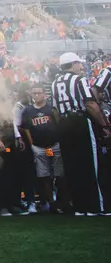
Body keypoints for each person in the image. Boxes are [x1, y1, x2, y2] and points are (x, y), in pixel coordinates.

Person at [50, 52, 111, 215]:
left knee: (72, 166)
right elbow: (90, 103)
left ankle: (79, 207)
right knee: (90, 165)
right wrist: (104, 125)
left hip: (63, 123)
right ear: (73, 64)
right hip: (79, 121)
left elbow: (55, 110)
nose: (81, 67)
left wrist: (62, 126)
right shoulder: (79, 80)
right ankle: (94, 207)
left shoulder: (55, 82)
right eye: (79, 63)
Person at [20, 84, 66, 213]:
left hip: (54, 144)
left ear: (44, 94)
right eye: (34, 93)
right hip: (39, 147)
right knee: (44, 175)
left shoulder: (51, 109)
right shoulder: (28, 111)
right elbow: (26, 128)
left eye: (39, 93)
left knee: (59, 175)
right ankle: (51, 203)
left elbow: (58, 124)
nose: (36, 95)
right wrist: (32, 144)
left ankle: (61, 201)